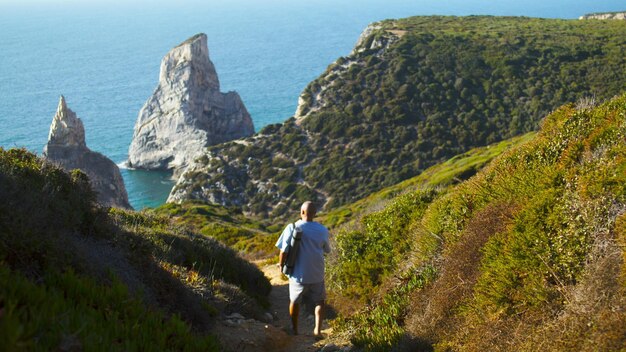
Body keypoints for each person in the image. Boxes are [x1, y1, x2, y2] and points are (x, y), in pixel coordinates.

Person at [276, 201, 331, 337]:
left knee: (294, 301)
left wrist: (281, 266)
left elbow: (283, 251)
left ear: (301, 212)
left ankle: (295, 330)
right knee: (320, 301)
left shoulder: (292, 227)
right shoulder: (322, 230)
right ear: (315, 214)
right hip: (317, 273)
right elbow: (327, 250)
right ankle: (317, 330)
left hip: (298, 275)